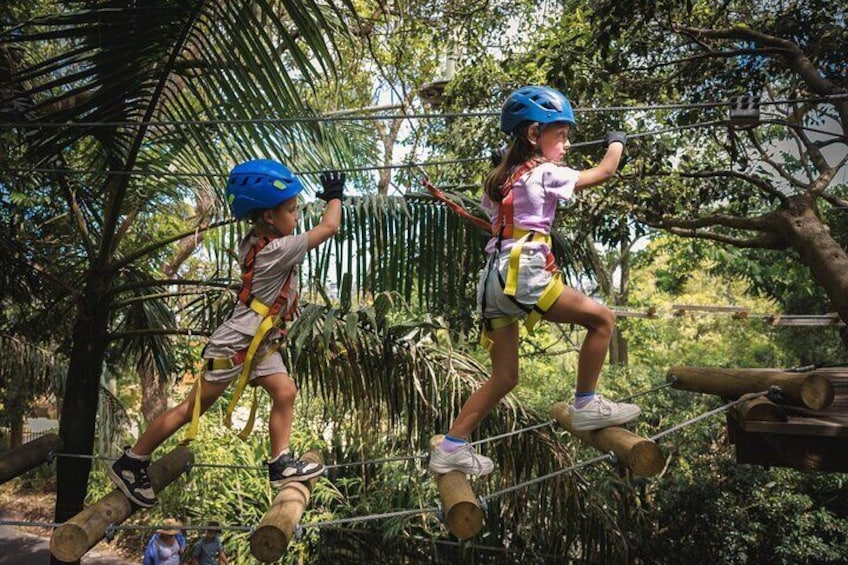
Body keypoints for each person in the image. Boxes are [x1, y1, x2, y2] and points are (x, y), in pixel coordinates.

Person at [429, 86, 641, 475]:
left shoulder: (501, 178)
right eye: (560, 134)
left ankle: (453, 445)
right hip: (524, 273)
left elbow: (496, 216)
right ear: (533, 135)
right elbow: (604, 172)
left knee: (505, 375)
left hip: (494, 279)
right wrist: (616, 143)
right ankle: (586, 403)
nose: (567, 143)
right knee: (602, 320)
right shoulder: (545, 171)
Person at [108, 159, 344, 507]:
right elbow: (329, 227)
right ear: (268, 217)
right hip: (237, 342)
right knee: (191, 409)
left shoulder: (256, 241)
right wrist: (335, 197)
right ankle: (131, 462)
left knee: (285, 390)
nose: (297, 218)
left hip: (259, 341)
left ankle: (280, 462)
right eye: (292, 210)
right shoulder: (278, 249)